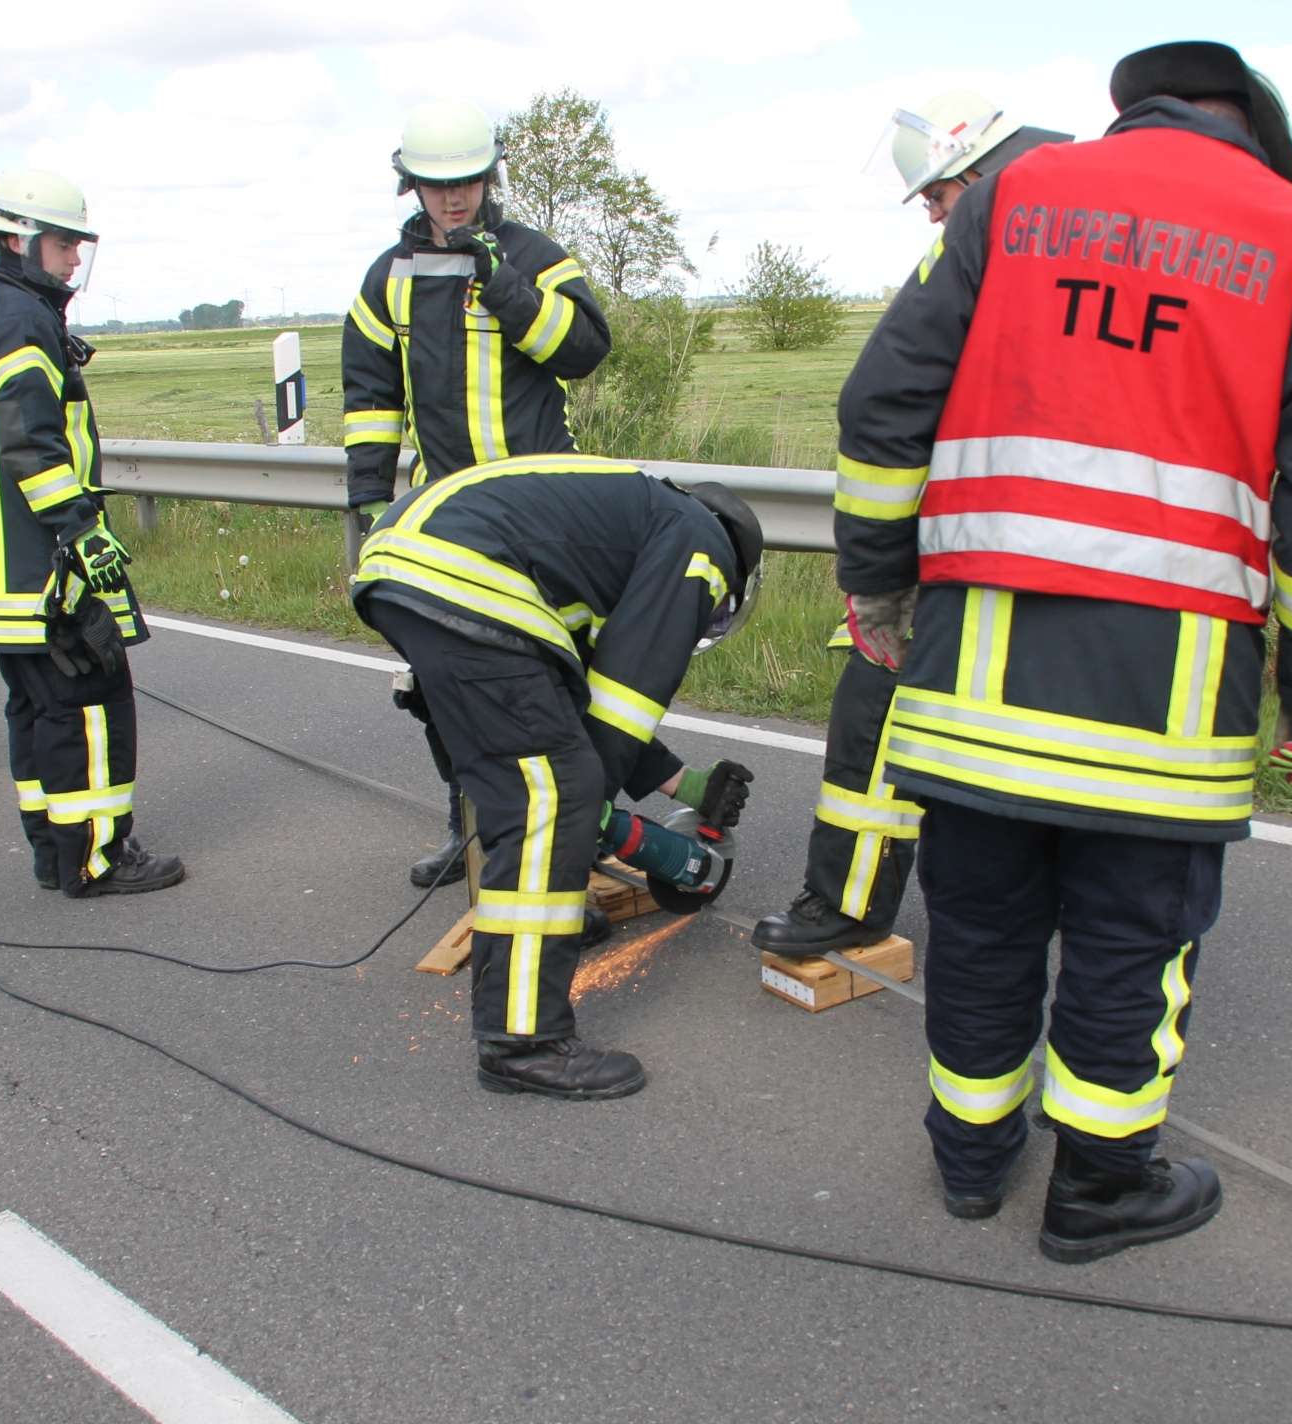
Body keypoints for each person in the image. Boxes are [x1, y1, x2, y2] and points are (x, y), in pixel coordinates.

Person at [834, 41, 1292, 1261]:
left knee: (979, 930)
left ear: (1136, 112)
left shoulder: (1012, 203)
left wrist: (877, 578)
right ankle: (1097, 1191)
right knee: (1132, 946)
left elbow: (884, 404)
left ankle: (971, 1165)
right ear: (1254, 136)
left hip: (975, 684)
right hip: (1166, 706)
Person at [754, 93, 1071, 957]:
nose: (932, 216)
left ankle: (848, 906)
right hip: (1105, 561)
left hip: (972, 549)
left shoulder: (993, 240)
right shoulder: (1117, 235)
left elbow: (881, 402)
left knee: (878, 707)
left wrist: (877, 576)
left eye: (936, 197)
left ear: (978, 172)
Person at [350, 454, 761, 1101]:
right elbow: (628, 695)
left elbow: (578, 702)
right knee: (555, 797)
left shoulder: (630, 523)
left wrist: (683, 783)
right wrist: (584, 815)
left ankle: (544, 924)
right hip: (470, 576)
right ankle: (524, 1040)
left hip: (408, 564)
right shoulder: (703, 546)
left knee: (539, 783)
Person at [342, 99, 612, 892]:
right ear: (411, 187)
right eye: (436, 186)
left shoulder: (534, 255)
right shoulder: (385, 279)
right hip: (446, 520)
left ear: (489, 178)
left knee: (559, 675)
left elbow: (586, 352)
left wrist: (508, 291)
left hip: (542, 511)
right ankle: (472, 832)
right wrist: (366, 503)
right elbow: (369, 394)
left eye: (466, 183)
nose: (453, 199)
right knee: (444, 684)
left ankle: (578, 838)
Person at [0, 169, 184, 897]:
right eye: (62, 244)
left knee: (38, 713)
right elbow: (32, 443)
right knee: (89, 710)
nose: (74, 259)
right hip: (45, 570)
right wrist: (81, 530)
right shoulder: (20, 319)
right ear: (19, 240)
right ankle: (98, 859)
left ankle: (55, 855)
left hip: (2, 573)